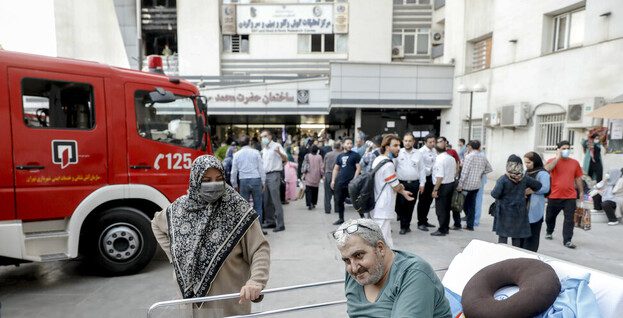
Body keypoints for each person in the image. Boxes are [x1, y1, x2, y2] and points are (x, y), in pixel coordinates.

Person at [151, 155, 270, 317]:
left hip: (228, 302)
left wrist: (256, 280)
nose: (213, 185)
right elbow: (156, 224)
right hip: (190, 306)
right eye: (206, 180)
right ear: (195, 180)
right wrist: (174, 255)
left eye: (218, 178)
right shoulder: (179, 209)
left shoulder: (237, 210)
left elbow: (259, 249)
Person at [333, 219, 452, 318]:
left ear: (380, 248)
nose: (353, 268)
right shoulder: (355, 273)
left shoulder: (414, 274)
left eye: (359, 255)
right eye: (346, 261)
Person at [371, 135, 415, 247]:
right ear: (387, 147)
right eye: (395, 145)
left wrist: (402, 191)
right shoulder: (388, 164)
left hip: (377, 204)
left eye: (399, 145)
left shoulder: (378, 159)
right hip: (383, 206)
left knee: (385, 237)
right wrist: (402, 188)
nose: (398, 148)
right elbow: (395, 186)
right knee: (382, 239)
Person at [491, 155, 542, 248]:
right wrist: (527, 191)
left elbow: (495, 194)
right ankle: (516, 256)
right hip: (519, 212)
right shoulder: (524, 178)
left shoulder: (503, 179)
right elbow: (538, 185)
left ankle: (501, 256)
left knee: (503, 238)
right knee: (516, 238)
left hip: (504, 213)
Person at [545, 140, 584, 249]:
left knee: (569, 219)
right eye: (563, 148)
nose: (566, 150)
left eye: (568, 148)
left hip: (570, 197)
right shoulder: (552, 161)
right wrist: (557, 158)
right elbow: (546, 170)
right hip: (554, 196)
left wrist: (581, 191)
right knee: (550, 217)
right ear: (558, 150)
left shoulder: (575, 163)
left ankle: (567, 240)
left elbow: (578, 178)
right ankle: (549, 231)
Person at [231, 135, 266, 234]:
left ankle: (246, 231)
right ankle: (259, 231)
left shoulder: (236, 154)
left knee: (244, 207)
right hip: (256, 179)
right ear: (249, 142)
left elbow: (234, 171)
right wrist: (263, 182)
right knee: (258, 206)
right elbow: (261, 168)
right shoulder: (256, 152)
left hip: (243, 181)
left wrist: (234, 185)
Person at [456, 140, 492, 231]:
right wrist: (479, 173)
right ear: (479, 147)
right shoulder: (483, 156)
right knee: (472, 205)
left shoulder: (469, 156)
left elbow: (464, 172)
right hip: (477, 184)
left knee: (464, 204)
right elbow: (489, 169)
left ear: (470, 147)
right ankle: (470, 225)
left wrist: (460, 184)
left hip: (467, 185)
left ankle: (468, 221)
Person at [395, 132, 425, 234]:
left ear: (413, 142)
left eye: (409, 141)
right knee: (400, 205)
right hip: (401, 183)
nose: (407, 143)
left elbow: (422, 169)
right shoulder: (398, 152)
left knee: (410, 205)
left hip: (414, 184)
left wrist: (422, 184)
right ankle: (403, 222)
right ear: (403, 141)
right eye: (406, 141)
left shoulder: (418, 153)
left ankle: (405, 226)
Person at [260, 130, 288, 232]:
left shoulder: (277, 146)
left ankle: (281, 224)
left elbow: (286, 159)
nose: (263, 138)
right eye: (262, 137)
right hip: (265, 176)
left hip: (274, 175)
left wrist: (279, 153)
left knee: (276, 200)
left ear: (270, 136)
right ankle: (270, 221)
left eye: (265, 136)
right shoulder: (264, 149)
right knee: (266, 200)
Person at [523, 151, 550, 252]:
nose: (526, 165)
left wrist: (531, 191)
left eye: (529, 162)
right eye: (525, 162)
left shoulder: (542, 173)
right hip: (524, 207)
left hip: (535, 207)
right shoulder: (527, 172)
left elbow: (546, 188)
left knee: (533, 234)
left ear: (535, 162)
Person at [331, 138, 362, 225]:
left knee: (357, 202)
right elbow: (336, 169)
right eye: (348, 143)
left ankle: (363, 218)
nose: (350, 145)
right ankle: (341, 218)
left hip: (351, 184)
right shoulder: (339, 156)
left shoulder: (355, 155)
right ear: (343, 144)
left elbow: (358, 168)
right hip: (341, 183)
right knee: (340, 201)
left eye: (351, 143)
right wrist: (333, 181)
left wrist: (354, 179)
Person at [430, 137, 457, 236]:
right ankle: (445, 228)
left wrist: (435, 190)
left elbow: (440, 177)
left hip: (442, 186)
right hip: (451, 184)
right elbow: (455, 171)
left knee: (440, 210)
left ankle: (442, 229)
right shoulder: (451, 158)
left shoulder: (440, 159)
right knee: (446, 209)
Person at [417, 134, 438, 231]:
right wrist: (430, 169)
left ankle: (425, 220)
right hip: (424, 178)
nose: (432, 143)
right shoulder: (421, 152)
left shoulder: (434, 150)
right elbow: (420, 166)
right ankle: (420, 222)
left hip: (432, 178)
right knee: (422, 201)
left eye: (434, 141)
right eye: (430, 142)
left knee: (429, 201)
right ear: (425, 142)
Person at [303, 145, 324, 210]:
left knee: (308, 190)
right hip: (316, 176)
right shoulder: (319, 157)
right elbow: (321, 167)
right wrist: (323, 175)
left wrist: (303, 174)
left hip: (308, 175)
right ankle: (313, 203)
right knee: (315, 190)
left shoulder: (307, 156)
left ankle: (309, 203)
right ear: (317, 150)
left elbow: (304, 166)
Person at [323, 141, 342, 214]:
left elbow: (324, 166)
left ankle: (327, 209)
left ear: (333, 147)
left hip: (328, 174)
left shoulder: (327, 154)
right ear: (340, 147)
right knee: (337, 193)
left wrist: (324, 175)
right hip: (338, 175)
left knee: (327, 194)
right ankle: (337, 209)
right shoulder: (341, 154)